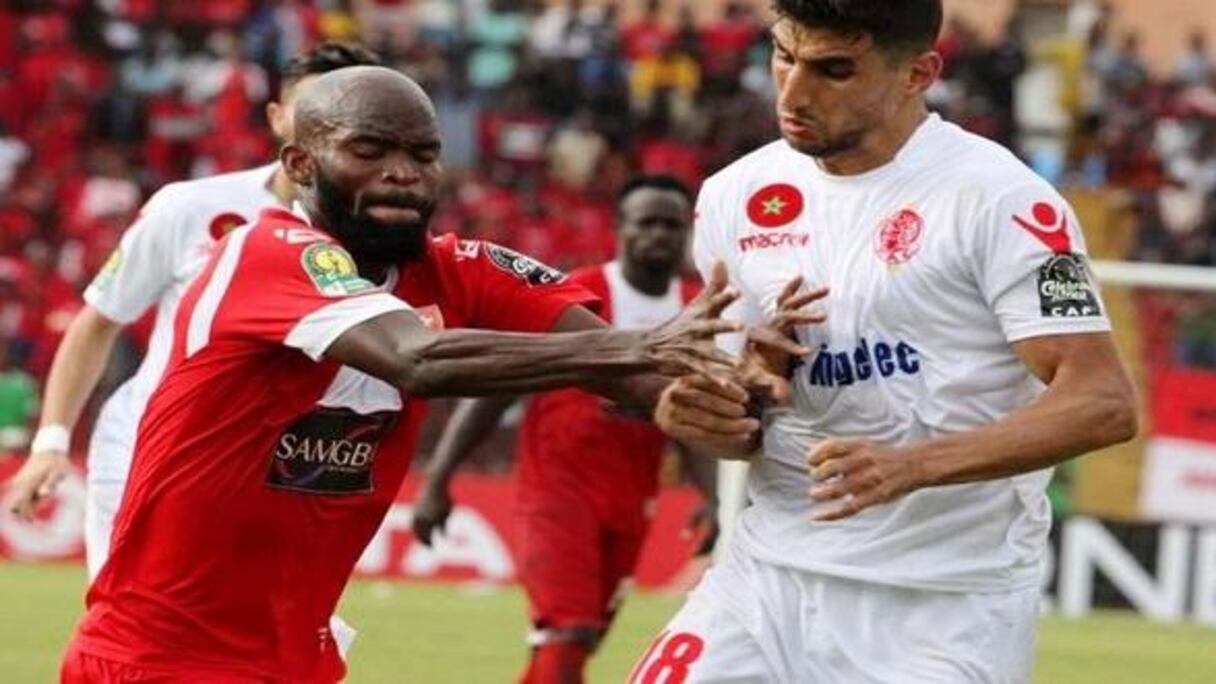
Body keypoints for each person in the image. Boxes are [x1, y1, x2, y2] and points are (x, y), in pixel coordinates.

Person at [56, 66, 793, 683]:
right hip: (160, 659)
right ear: (300, 165)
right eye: (368, 149)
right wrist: (644, 349)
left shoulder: (460, 269)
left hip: (297, 659)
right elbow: (417, 359)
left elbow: (639, 375)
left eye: (423, 153)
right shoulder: (262, 253)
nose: (402, 172)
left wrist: (747, 387)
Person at [636, 1, 1138, 682]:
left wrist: (913, 465)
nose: (793, 92)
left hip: (942, 606)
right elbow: (745, 417)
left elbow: (1103, 401)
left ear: (918, 74)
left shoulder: (1002, 199)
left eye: (834, 70)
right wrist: (720, 407)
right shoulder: (735, 196)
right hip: (766, 578)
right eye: (784, 56)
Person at [4, 43, 382, 583]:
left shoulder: (380, 235)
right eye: (313, 109)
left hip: (266, 468)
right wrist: (51, 442)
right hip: (146, 451)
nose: (329, 127)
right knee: (129, 623)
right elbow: (99, 320)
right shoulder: (189, 207)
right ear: (277, 118)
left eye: (350, 113)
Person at [413, 175, 733, 684]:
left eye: (671, 225)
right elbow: (495, 394)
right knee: (567, 632)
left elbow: (693, 413)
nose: (659, 234)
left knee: (578, 642)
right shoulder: (574, 294)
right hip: (557, 492)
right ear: (619, 228)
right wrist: (437, 480)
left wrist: (714, 495)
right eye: (646, 223)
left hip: (633, 497)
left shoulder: (698, 308)